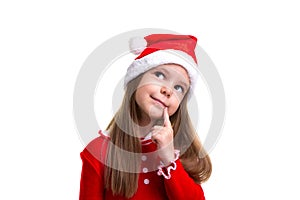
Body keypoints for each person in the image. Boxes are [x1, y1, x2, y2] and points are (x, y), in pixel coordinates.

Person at [79, 34, 212, 199]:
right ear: (136, 79)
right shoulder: (98, 152)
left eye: (179, 88)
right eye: (160, 75)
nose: (168, 90)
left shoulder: (180, 151)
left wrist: (169, 158)